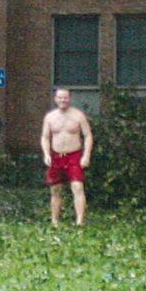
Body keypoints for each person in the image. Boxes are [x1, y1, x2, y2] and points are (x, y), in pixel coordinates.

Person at [41, 87, 93, 226]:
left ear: (70, 99)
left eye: (65, 97)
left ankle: (80, 221)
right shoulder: (50, 117)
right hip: (56, 156)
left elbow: (88, 136)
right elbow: (45, 137)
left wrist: (86, 155)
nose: (63, 100)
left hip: (74, 155)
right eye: (60, 97)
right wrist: (46, 154)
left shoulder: (78, 116)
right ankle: (54, 221)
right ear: (55, 99)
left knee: (77, 187)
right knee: (55, 189)